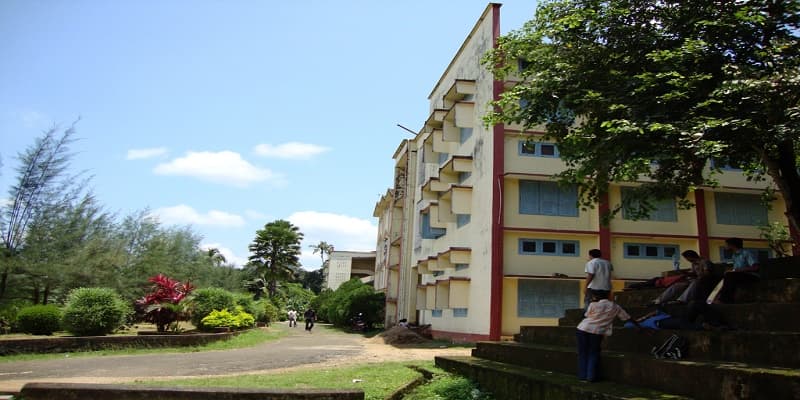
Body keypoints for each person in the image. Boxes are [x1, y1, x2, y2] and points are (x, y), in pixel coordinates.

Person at [577, 290, 636, 382]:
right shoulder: (616, 307)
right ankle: (590, 377)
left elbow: (587, 315)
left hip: (583, 328)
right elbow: (627, 317)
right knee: (593, 353)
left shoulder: (593, 304)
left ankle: (582, 377)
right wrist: (638, 325)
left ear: (598, 297)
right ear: (609, 296)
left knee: (583, 352)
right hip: (597, 331)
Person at [716, 238, 760, 303]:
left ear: (732, 245)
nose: (725, 246)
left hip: (751, 276)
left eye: (726, 245)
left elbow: (756, 267)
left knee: (730, 276)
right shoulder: (734, 256)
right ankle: (720, 298)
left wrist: (738, 270)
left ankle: (725, 300)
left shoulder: (746, 253)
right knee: (725, 276)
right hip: (740, 276)